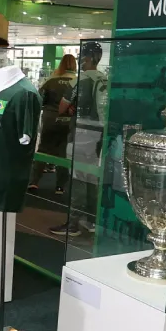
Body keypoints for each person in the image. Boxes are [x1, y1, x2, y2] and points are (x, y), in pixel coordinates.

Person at [50, 42, 107, 237]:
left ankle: (73, 223)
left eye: (82, 56)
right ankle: (91, 220)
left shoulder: (80, 80)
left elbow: (62, 107)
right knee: (92, 177)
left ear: (88, 58)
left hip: (82, 133)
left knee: (77, 178)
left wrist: (71, 108)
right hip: (100, 135)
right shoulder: (105, 79)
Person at [28, 54, 76, 196]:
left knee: (43, 148)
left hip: (50, 118)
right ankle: (60, 186)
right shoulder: (76, 81)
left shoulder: (51, 81)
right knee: (63, 152)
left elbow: (39, 99)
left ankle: (34, 181)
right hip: (68, 120)